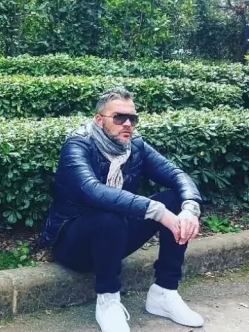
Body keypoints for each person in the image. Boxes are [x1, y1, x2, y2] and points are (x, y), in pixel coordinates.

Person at [41, 87, 204, 332]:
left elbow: (176, 175)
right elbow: (92, 190)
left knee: (175, 198)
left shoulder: (134, 145)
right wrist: (156, 211)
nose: (127, 124)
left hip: (115, 239)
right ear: (99, 120)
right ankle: (108, 301)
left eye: (132, 118)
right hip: (73, 245)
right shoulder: (77, 145)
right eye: (119, 117)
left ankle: (164, 292)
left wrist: (190, 208)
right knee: (109, 217)